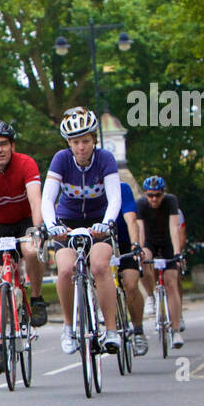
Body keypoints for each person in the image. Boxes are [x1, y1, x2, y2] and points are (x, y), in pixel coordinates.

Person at [40, 106, 121, 356]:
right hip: (68, 223)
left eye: (85, 141)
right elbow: (47, 199)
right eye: (75, 142)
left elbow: (115, 198)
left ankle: (111, 330)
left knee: (98, 267)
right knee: (65, 269)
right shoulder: (61, 160)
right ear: (69, 143)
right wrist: (53, 225)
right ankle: (68, 325)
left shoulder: (105, 159)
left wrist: (106, 223)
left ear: (94, 140)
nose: (81, 147)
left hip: (99, 222)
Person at [0, 120, 46, 373]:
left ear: (12, 145)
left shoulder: (26, 163)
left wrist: (36, 229)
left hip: (24, 221)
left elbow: (35, 199)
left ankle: (36, 298)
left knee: (29, 250)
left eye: (3, 144)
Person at [136, 175, 185, 348]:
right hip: (150, 242)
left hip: (167, 244)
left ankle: (176, 330)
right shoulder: (141, 204)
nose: (154, 199)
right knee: (142, 261)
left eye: (158, 195)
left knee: (171, 283)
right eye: (150, 195)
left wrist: (177, 253)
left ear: (164, 193)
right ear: (145, 194)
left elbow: (174, 227)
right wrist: (139, 250)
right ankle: (150, 296)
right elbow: (140, 229)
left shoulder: (171, 201)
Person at [113, 178, 149, 355]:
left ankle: (138, 330)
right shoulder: (87, 192)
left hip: (125, 243)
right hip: (102, 243)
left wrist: (136, 244)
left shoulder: (122, 189)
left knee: (131, 285)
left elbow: (131, 220)